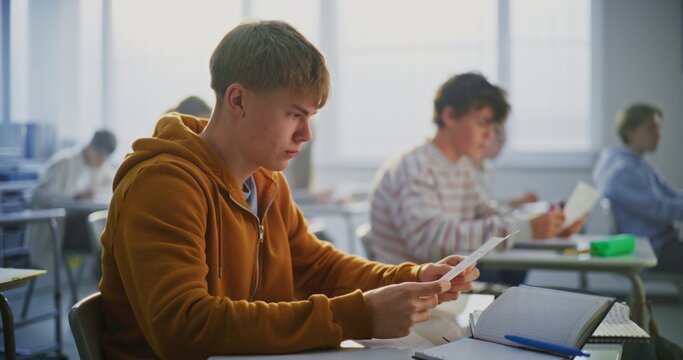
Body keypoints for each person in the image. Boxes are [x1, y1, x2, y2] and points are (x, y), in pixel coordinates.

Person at [99, 20, 479, 359]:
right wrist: (358, 315)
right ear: (238, 100)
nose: (306, 134)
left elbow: (318, 267)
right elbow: (181, 326)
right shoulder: (163, 184)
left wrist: (413, 277)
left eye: (310, 116)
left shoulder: (267, 182)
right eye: (294, 114)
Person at [364, 72, 583, 284]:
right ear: (449, 116)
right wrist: (524, 230)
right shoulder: (413, 166)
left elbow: (489, 212)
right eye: (482, 123)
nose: (489, 135)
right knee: (512, 275)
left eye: (492, 125)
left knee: (515, 270)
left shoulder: (461, 166)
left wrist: (545, 223)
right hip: (411, 287)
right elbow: (430, 241)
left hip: (441, 280)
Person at [593, 103, 683, 273]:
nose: (658, 135)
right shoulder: (623, 171)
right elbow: (660, 209)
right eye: (652, 129)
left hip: (660, 243)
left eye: (658, 129)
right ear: (629, 132)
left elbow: (670, 195)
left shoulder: (637, 164)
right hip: (651, 249)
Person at [28, 129, 117, 269]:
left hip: (83, 225)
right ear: (89, 145)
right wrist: (74, 196)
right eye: (99, 155)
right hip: (64, 230)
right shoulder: (64, 161)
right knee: (109, 242)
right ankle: (107, 284)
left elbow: (115, 188)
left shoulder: (102, 166)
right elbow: (39, 195)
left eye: (105, 157)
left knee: (113, 237)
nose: (101, 161)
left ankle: (107, 283)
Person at [474, 122, 539, 208]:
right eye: (498, 143)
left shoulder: (486, 170)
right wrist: (514, 202)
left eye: (502, 144)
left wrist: (516, 201)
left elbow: (486, 204)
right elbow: (480, 208)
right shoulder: (467, 168)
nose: (500, 150)